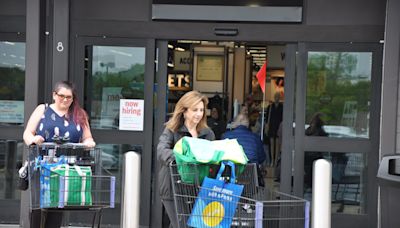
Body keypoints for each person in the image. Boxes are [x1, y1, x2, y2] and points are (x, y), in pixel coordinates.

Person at [23, 81, 96, 227]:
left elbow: (88, 137)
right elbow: (27, 133)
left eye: (69, 97)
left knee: (57, 206)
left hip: (66, 168)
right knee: (38, 207)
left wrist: (89, 142)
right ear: (54, 95)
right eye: (61, 96)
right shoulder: (42, 109)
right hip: (42, 166)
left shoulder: (79, 114)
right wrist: (33, 139)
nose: (65, 100)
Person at [157, 91, 215, 228]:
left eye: (201, 110)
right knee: (181, 224)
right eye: (195, 110)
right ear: (184, 111)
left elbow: (212, 156)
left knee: (188, 224)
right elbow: (161, 151)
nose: (199, 114)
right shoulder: (172, 129)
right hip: (172, 186)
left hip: (196, 186)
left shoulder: (208, 133)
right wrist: (183, 157)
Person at [222, 113, 266, 186]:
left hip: (231, 179)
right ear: (247, 124)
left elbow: (222, 156)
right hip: (251, 179)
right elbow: (262, 158)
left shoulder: (226, 136)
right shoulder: (255, 137)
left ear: (235, 123)